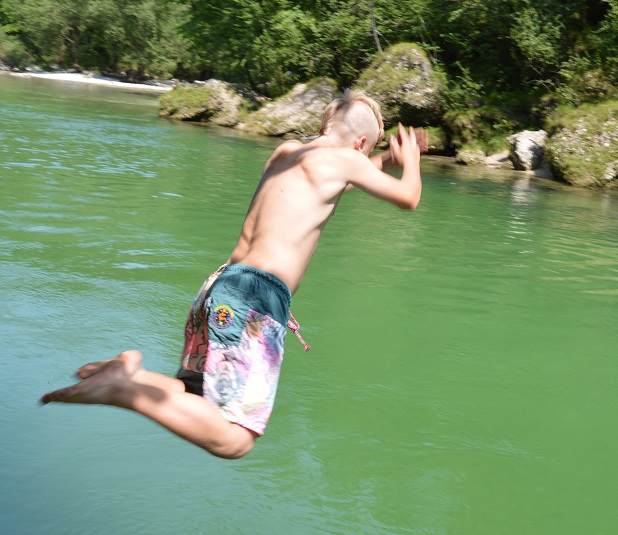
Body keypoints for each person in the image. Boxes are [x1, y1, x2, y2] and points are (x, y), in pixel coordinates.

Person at [41, 90, 426, 459]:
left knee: (195, 398)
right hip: (256, 300)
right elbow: (408, 198)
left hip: (221, 287)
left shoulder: (287, 152)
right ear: (360, 144)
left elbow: (335, 181)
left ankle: (129, 374)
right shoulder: (348, 161)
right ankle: (122, 390)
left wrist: (381, 163)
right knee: (235, 439)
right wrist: (410, 160)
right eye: (367, 153)